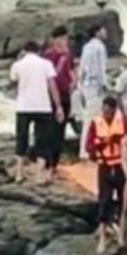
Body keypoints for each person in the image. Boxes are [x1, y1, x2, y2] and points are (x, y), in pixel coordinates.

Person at [9, 41, 61, 183]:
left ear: (24, 51)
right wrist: (59, 106)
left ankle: (19, 173)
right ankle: (39, 175)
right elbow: (52, 86)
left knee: (21, 139)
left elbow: (13, 82)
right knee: (42, 141)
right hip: (43, 107)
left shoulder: (17, 65)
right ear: (39, 51)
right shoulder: (46, 64)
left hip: (23, 107)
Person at [86, 96, 127, 253]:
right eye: (104, 111)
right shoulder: (96, 122)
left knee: (123, 199)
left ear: (114, 110)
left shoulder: (124, 122)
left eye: (109, 111)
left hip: (121, 166)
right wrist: (102, 143)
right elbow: (89, 145)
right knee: (104, 199)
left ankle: (122, 235)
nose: (106, 114)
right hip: (104, 166)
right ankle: (103, 236)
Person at [42, 26, 76, 172]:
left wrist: (75, 81)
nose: (66, 41)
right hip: (51, 96)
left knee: (61, 129)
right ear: (56, 40)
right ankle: (48, 162)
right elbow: (49, 76)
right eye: (63, 39)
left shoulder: (69, 54)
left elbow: (73, 69)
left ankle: (55, 163)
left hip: (66, 94)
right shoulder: (48, 55)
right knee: (51, 130)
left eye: (66, 39)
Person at [77, 25, 109, 159]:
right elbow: (102, 69)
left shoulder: (86, 47)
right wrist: (104, 84)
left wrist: (80, 86)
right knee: (96, 119)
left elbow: (82, 69)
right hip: (96, 86)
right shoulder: (100, 47)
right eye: (103, 30)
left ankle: (85, 148)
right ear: (97, 32)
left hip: (86, 85)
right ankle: (87, 149)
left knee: (88, 118)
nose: (106, 32)